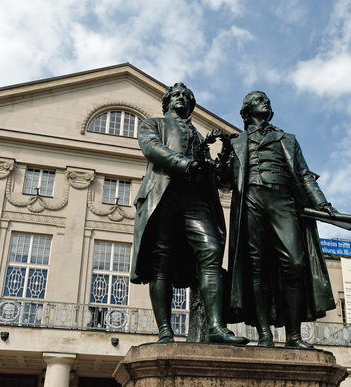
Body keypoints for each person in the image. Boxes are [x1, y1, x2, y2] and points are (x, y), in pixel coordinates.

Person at [131, 82, 248, 345]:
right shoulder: (153, 124)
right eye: (176, 95)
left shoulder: (198, 136)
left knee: (212, 252)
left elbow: (219, 177)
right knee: (160, 262)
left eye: (186, 96)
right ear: (168, 102)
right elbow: (151, 148)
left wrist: (226, 151)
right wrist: (185, 163)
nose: (181, 98)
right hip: (164, 194)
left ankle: (216, 327)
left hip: (196, 200)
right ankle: (165, 331)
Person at [221, 90, 339, 348]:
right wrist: (223, 151)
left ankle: (294, 336)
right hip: (250, 200)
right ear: (247, 110)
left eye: (266, 100)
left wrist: (321, 203)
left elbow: (304, 174)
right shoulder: (237, 142)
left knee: (295, 264)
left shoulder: (287, 139)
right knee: (256, 267)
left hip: (283, 200)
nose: (265, 101)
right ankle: (265, 335)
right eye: (258, 99)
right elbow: (223, 179)